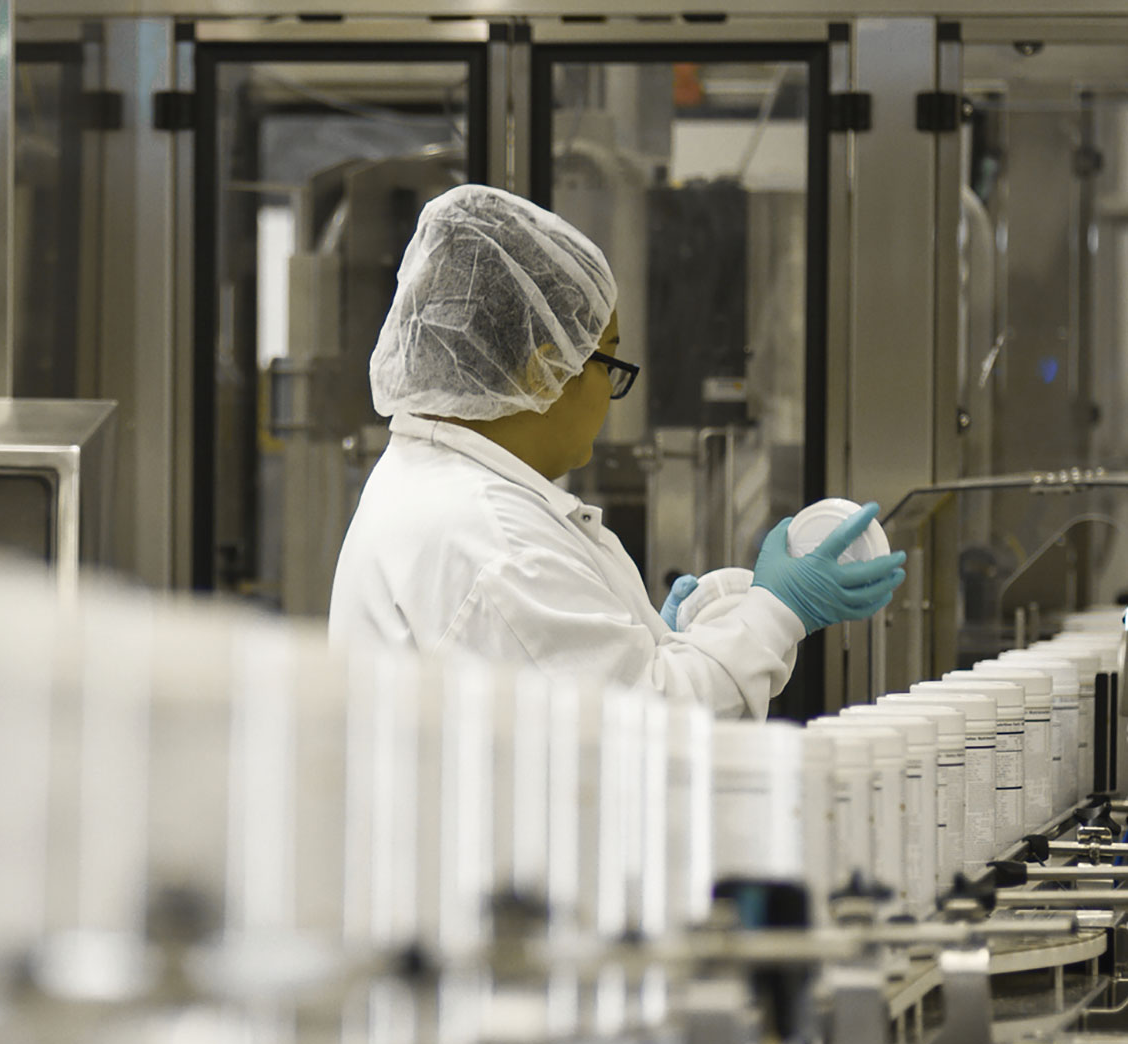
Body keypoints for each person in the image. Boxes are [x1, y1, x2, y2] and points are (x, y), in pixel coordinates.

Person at [329, 184, 904, 719]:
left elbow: (589, 680)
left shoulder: (441, 488)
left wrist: (652, 634)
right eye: (606, 360)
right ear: (543, 370)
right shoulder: (493, 541)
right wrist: (780, 611)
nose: (613, 392)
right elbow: (650, 732)